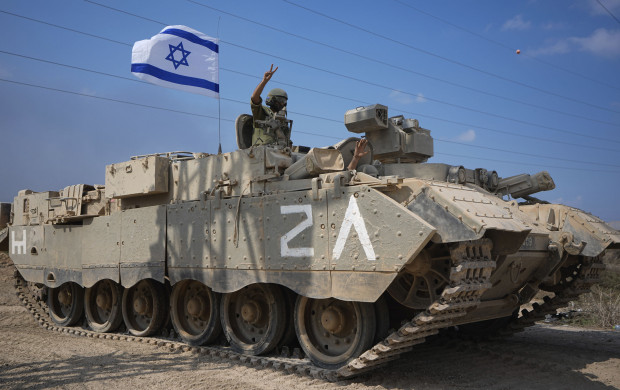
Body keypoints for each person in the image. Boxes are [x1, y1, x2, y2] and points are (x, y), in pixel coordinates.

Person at [250, 64, 288, 145]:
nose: (283, 104)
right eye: (281, 100)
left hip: (279, 153)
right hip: (260, 151)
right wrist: (264, 81)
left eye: (285, 101)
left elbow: (288, 142)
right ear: (272, 100)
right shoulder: (262, 112)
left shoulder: (282, 121)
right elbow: (254, 98)